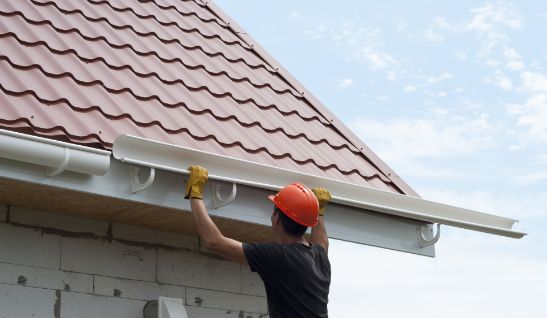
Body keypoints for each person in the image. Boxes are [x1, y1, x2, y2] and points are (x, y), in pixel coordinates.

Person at [185, 165, 331, 318]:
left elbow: (214, 242)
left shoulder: (279, 257)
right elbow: (322, 242)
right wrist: (319, 211)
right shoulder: (319, 257)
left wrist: (195, 193)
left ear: (276, 219)